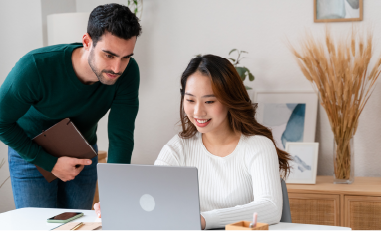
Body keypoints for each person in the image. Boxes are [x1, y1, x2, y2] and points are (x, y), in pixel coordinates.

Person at [94, 54, 292, 230]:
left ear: (229, 100)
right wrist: (121, 205)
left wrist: (204, 220)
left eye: (209, 101)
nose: (198, 112)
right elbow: (152, 195)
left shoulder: (258, 146)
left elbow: (270, 208)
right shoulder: (178, 147)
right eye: (190, 100)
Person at [0, 3, 142, 210]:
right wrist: (49, 163)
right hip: (32, 154)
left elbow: (121, 138)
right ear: (87, 42)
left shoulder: (128, 73)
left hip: (82, 155)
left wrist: (114, 193)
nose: (117, 68)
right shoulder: (35, 67)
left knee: (80, 225)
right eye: (109, 55)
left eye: (125, 57)